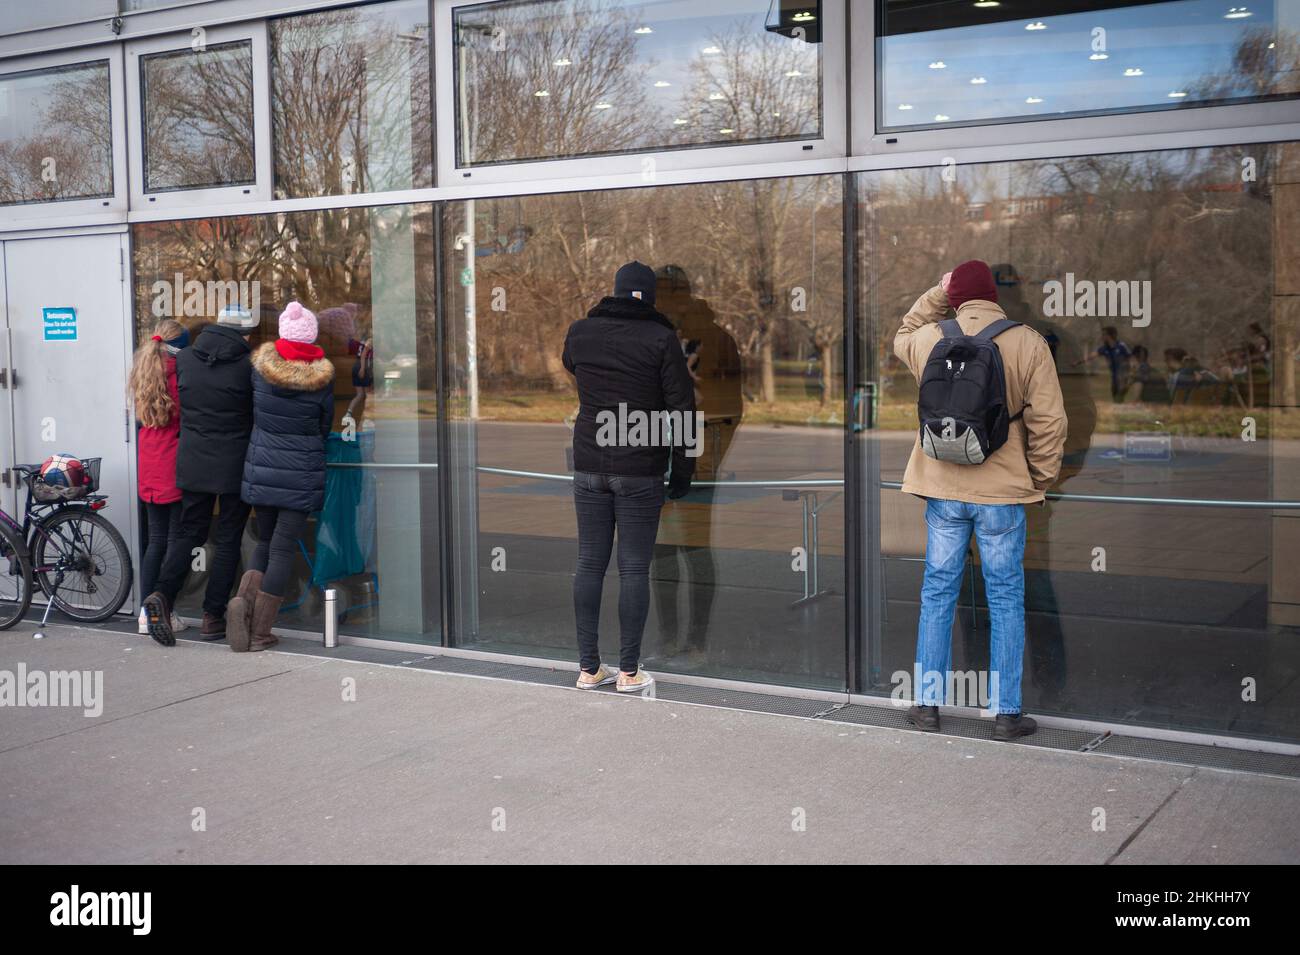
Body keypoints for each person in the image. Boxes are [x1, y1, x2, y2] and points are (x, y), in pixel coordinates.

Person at [893, 260, 1067, 741]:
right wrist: (1040, 476)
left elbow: (901, 331)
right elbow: (1051, 422)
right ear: (995, 295)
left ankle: (927, 704)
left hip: (943, 489)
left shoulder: (930, 338)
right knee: (1006, 596)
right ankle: (1006, 714)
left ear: (955, 295)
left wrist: (936, 291)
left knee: (938, 593)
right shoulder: (1026, 341)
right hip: (1002, 492)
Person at [562, 261, 697, 692]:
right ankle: (629, 672)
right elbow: (683, 408)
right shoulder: (661, 338)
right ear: (650, 296)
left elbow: (572, 365)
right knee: (634, 568)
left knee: (589, 563)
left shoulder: (581, 331)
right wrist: (684, 468)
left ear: (615, 291)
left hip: (588, 464)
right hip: (640, 467)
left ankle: (588, 669)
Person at [142, 304, 259, 646]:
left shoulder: (186, 360)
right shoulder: (247, 366)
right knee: (227, 540)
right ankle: (212, 617)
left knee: (188, 533)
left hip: (192, 462)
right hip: (234, 463)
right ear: (244, 333)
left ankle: (162, 595)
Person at [226, 301, 335, 653]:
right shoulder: (320, 378)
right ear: (312, 336)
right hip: (299, 473)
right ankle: (259, 631)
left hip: (262, 466)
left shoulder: (260, 370)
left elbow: (250, 413)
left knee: (264, 542)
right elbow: (324, 426)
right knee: (284, 548)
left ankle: (242, 609)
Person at [130, 319, 190, 636]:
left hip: (148, 463)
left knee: (155, 541)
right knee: (175, 542)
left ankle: (144, 612)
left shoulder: (143, 371)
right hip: (172, 464)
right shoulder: (178, 375)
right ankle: (165, 609)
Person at [1074, 325, 1131, 402]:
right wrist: (1078, 362)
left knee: (1120, 394)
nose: (1102, 336)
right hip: (1114, 376)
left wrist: (1129, 373)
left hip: (1123, 375)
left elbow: (1130, 358)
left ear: (1110, 335)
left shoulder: (1121, 346)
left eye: (1104, 334)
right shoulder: (1104, 348)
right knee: (1115, 394)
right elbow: (1091, 356)